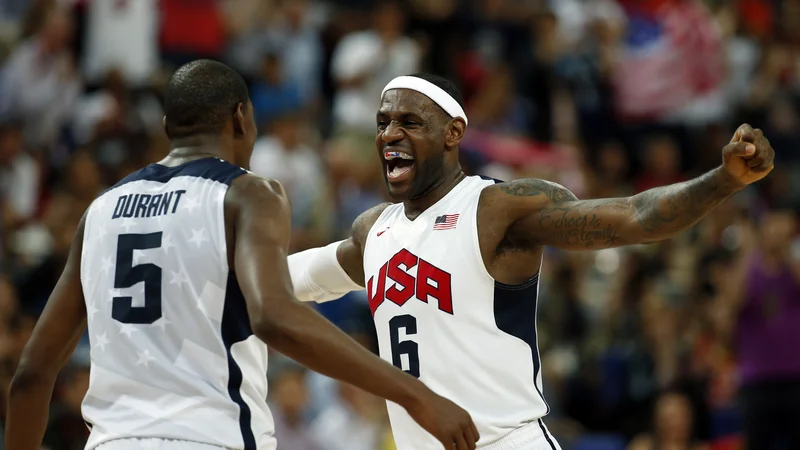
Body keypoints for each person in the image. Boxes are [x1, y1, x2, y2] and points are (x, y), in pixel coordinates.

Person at [4, 61, 479, 450]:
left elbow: (31, 376)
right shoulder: (247, 194)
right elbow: (274, 318)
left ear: (169, 126)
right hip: (212, 438)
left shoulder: (100, 212)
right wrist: (414, 394)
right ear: (241, 119)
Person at [286, 73, 776, 450]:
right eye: (382, 123)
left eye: (409, 123)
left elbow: (635, 216)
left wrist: (723, 181)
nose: (390, 134)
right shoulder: (374, 229)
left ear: (454, 132)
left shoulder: (497, 208)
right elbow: (295, 278)